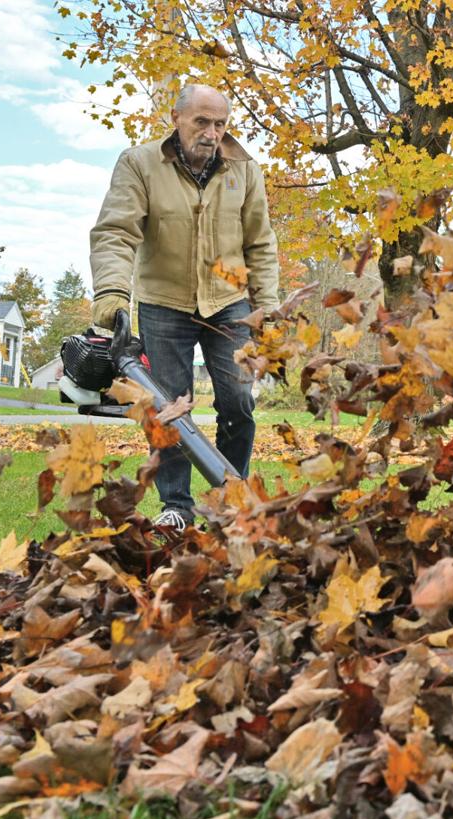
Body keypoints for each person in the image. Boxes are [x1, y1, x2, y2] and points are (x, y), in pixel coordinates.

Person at [89, 84, 279, 531]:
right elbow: (116, 232)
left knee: (238, 401)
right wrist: (112, 291)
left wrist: (267, 307)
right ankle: (176, 503)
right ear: (176, 118)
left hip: (229, 304)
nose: (212, 133)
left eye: (220, 124)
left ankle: (229, 496)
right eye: (202, 122)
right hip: (164, 302)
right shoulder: (139, 164)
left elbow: (261, 244)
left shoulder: (244, 171)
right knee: (168, 408)